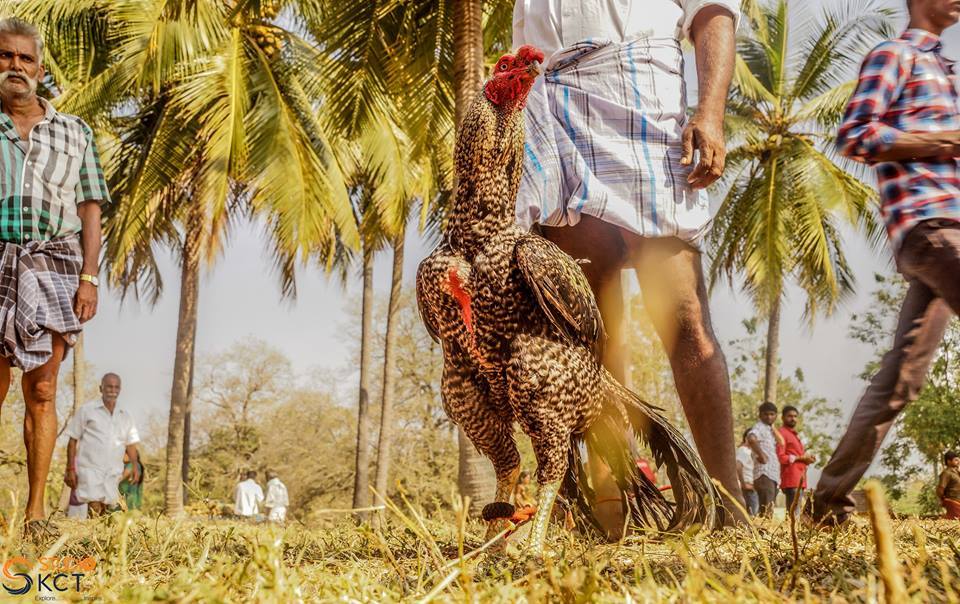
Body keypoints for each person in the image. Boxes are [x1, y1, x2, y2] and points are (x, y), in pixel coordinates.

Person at [513, 0, 744, 533]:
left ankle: (730, 511)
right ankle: (612, 512)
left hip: (645, 91)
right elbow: (524, 51)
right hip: (558, 105)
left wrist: (709, 112)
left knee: (685, 321)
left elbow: (715, 12)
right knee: (591, 336)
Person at [808, 0, 960, 525]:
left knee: (900, 380)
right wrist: (945, 141)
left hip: (942, 232)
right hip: (932, 228)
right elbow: (855, 134)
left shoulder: (943, 67)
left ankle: (827, 503)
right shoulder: (895, 55)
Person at [0, 18, 110, 533]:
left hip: (54, 264)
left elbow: (91, 208)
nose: (15, 66)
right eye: (5, 56)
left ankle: (36, 510)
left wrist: (89, 277)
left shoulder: (75, 131)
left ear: (40, 70)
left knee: (42, 390)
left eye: (25, 58)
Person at [64, 374, 140, 517]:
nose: (113, 390)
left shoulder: (125, 415)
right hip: (90, 469)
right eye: (109, 386)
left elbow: (130, 443)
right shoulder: (87, 410)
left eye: (116, 387)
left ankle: (99, 537)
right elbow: (72, 440)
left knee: (107, 509)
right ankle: (91, 537)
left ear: (120, 389)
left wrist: (135, 466)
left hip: (113, 470)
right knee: (94, 506)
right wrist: (70, 468)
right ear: (101, 388)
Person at [777, 406, 815, 515]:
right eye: (789, 416)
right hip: (791, 478)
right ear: (782, 417)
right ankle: (792, 532)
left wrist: (807, 459)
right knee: (794, 513)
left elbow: (797, 456)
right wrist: (802, 458)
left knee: (797, 511)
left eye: (795, 416)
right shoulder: (782, 433)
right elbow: (782, 457)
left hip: (800, 477)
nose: (793, 418)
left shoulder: (794, 434)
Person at [747, 402, 781, 518]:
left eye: (772, 414)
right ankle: (763, 534)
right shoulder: (759, 427)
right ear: (760, 415)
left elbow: (782, 443)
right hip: (764, 474)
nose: (769, 417)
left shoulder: (769, 430)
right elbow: (751, 438)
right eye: (766, 414)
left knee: (768, 510)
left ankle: (764, 533)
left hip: (771, 475)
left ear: (776, 416)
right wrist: (761, 455)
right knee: (766, 512)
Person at [736, 430, 758, 517]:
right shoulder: (743, 450)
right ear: (746, 438)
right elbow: (738, 466)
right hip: (748, 487)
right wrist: (744, 484)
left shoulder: (749, 451)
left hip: (751, 487)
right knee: (751, 515)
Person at [938, 451, 960, 520]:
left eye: (958, 460)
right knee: (955, 521)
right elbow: (940, 489)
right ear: (949, 461)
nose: (958, 461)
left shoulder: (957, 472)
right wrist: (943, 499)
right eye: (955, 460)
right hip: (952, 501)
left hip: (958, 501)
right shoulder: (946, 473)